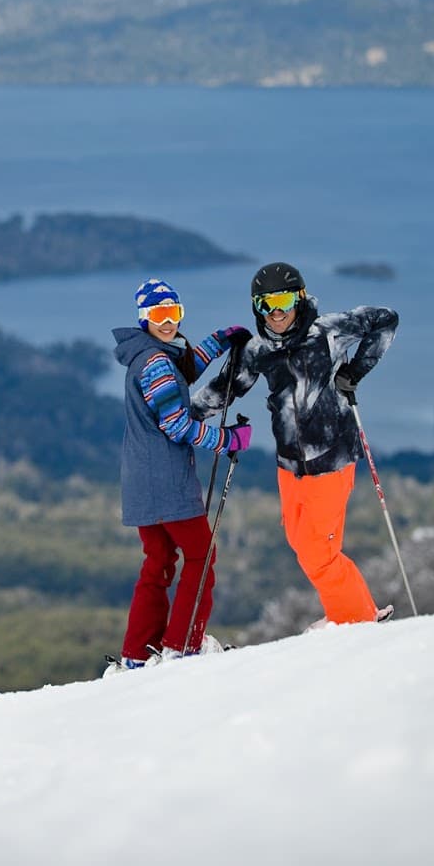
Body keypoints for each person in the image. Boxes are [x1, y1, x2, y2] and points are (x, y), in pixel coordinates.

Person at [193, 262, 399, 628]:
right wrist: (179, 416)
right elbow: (224, 391)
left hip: (331, 458)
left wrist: (354, 372)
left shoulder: (327, 332)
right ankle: (351, 613)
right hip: (289, 464)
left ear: (300, 298)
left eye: (284, 301)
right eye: (265, 305)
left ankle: (357, 623)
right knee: (302, 545)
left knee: (321, 555)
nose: (276, 313)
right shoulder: (257, 350)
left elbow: (385, 319)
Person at [107, 278, 252, 672]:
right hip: (166, 482)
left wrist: (219, 340)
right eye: (159, 315)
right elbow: (176, 425)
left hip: (139, 482)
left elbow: (181, 371)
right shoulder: (156, 363)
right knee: (201, 557)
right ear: (144, 318)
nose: (168, 322)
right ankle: (182, 644)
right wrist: (227, 440)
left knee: (158, 561)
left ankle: (138, 652)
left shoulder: (147, 355)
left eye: (174, 313)